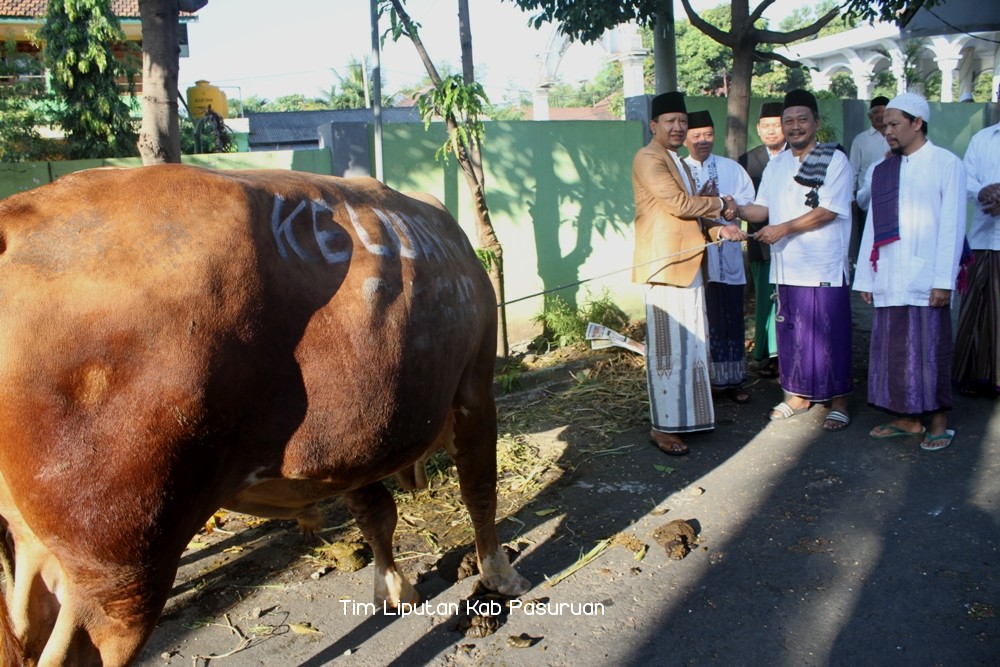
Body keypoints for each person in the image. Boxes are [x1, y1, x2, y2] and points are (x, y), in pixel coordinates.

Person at [632, 91, 747, 456]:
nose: (678, 127)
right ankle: (662, 428)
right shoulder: (648, 157)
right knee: (667, 352)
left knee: (693, 347)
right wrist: (723, 203)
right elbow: (680, 205)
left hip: (690, 264)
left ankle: (689, 419)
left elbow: (693, 218)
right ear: (654, 125)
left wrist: (720, 231)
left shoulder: (677, 161)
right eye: (671, 121)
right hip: (665, 267)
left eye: (682, 121)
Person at [853, 92, 966, 452]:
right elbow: (872, 226)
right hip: (889, 272)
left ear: (917, 123)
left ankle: (938, 422)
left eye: (894, 124)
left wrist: (943, 281)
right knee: (895, 351)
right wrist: (867, 277)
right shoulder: (882, 170)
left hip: (927, 275)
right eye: (885, 125)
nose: (887, 131)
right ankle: (907, 418)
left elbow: (952, 227)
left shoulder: (946, 164)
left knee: (931, 350)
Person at [738, 89, 854, 432]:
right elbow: (762, 209)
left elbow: (828, 211)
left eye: (802, 119)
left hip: (823, 266)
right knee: (793, 335)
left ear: (816, 122)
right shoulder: (777, 165)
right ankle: (799, 396)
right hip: (787, 267)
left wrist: (783, 229)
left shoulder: (834, 159)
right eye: (788, 121)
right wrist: (732, 209)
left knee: (831, 336)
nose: (795, 126)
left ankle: (839, 402)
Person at [683, 109, 756, 404]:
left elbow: (750, 201)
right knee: (704, 320)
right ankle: (706, 382)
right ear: (685, 138)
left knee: (732, 318)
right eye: (696, 135)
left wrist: (732, 204)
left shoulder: (731, 168)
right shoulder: (679, 171)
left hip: (729, 257)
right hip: (697, 261)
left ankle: (734, 380)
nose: (703, 140)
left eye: (708, 134)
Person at [953, 87, 1000, 396]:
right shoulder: (983, 139)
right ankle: (974, 375)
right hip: (983, 236)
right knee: (976, 306)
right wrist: (983, 191)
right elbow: (965, 178)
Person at [738, 102, 787, 379]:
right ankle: (765, 355)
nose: (771, 131)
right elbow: (747, 202)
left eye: (776, 125)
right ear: (758, 129)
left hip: (792, 240)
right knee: (765, 301)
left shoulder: (798, 157)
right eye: (766, 126)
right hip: (760, 239)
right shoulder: (748, 160)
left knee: (788, 300)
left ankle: (787, 356)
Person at [849, 96, 890, 263]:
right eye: (876, 112)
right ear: (869, 116)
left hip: (892, 199)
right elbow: (853, 171)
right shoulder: (861, 140)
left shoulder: (895, 137)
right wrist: (852, 198)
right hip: (867, 200)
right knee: (867, 241)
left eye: (884, 111)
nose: (880, 115)